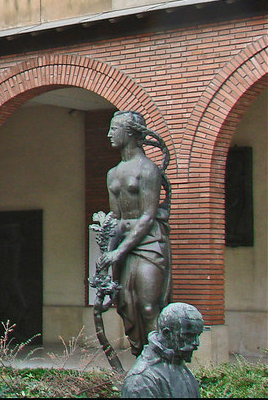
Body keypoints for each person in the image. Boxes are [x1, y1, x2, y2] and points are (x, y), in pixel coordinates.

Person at [98, 111, 172, 356]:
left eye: (114, 129)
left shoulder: (148, 170)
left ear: (129, 133)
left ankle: (161, 358)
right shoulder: (112, 173)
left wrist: (119, 251)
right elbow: (117, 219)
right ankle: (141, 355)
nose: (109, 134)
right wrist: (107, 253)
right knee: (127, 306)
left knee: (149, 306)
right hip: (124, 248)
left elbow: (148, 216)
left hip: (149, 244)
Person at [121, 302, 204, 398]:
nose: (196, 343)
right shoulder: (141, 381)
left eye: (198, 335)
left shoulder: (180, 368)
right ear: (167, 334)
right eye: (189, 335)